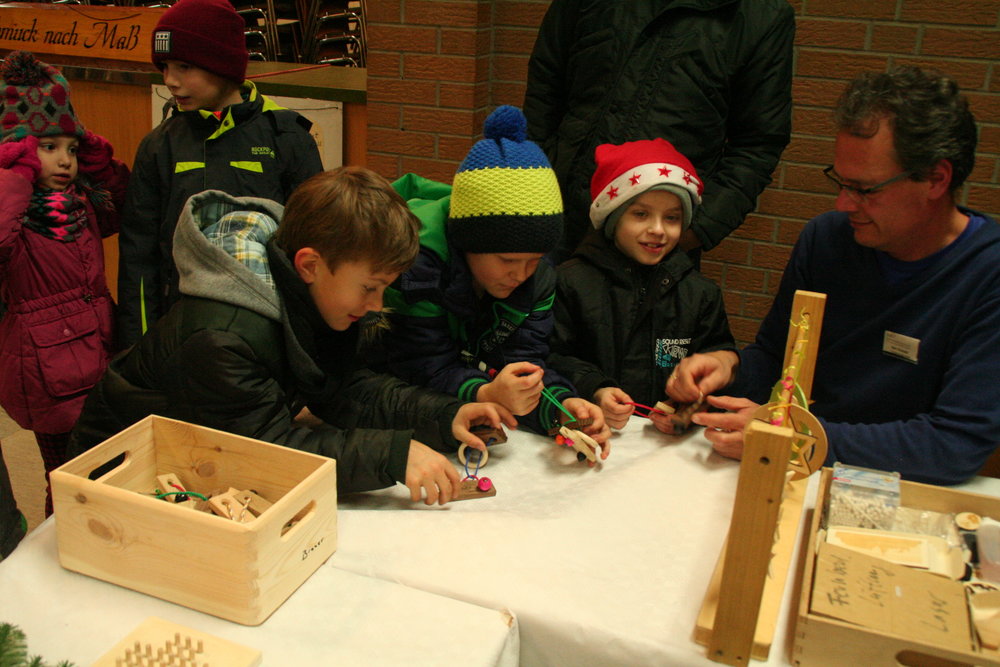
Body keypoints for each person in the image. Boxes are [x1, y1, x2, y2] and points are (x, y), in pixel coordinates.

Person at [70, 167, 514, 505]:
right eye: (370, 288)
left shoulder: (318, 297)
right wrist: (393, 454)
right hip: (109, 479)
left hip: (197, 454)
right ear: (310, 265)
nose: (377, 305)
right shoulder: (221, 338)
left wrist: (443, 414)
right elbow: (266, 452)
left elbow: (346, 388)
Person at [669, 66, 1000, 486]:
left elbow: (953, 445)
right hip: (801, 471)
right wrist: (728, 366)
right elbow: (779, 358)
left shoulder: (987, 274)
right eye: (840, 183)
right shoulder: (827, 239)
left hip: (899, 489)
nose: (844, 204)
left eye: (865, 189)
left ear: (936, 179)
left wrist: (796, 439)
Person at [367, 106, 610, 452]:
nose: (520, 274)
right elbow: (419, 367)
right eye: (507, 260)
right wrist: (485, 392)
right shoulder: (418, 268)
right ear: (467, 242)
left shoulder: (538, 278)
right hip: (397, 419)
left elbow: (526, 362)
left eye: (534, 260)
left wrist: (560, 408)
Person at [117, 0, 323, 348]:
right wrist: (137, 348)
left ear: (223, 65)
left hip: (268, 330)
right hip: (182, 332)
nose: (170, 81)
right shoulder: (159, 146)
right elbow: (139, 259)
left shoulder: (287, 138)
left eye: (184, 67)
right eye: (164, 67)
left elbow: (315, 244)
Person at [523, 0, 794, 262]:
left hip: (658, 242)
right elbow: (545, 85)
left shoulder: (760, 16)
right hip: (556, 215)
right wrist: (534, 180)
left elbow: (757, 144)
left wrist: (694, 229)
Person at [0, 51, 129, 515]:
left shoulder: (81, 201)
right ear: (15, 150)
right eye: (48, 147)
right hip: (47, 373)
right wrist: (14, 176)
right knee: (66, 478)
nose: (64, 161)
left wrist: (100, 163)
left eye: (71, 149)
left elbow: (123, 208)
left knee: (105, 469)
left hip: (96, 355)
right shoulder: (15, 213)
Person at [549, 138, 736, 430]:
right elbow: (551, 357)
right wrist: (595, 388)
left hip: (664, 447)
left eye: (672, 218)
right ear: (612, 217)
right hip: (592, 435)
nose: (658, 230)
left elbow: (716, 361)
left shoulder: (701, 295)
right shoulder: (570, 283)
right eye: (641, 214)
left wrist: (689, 406)